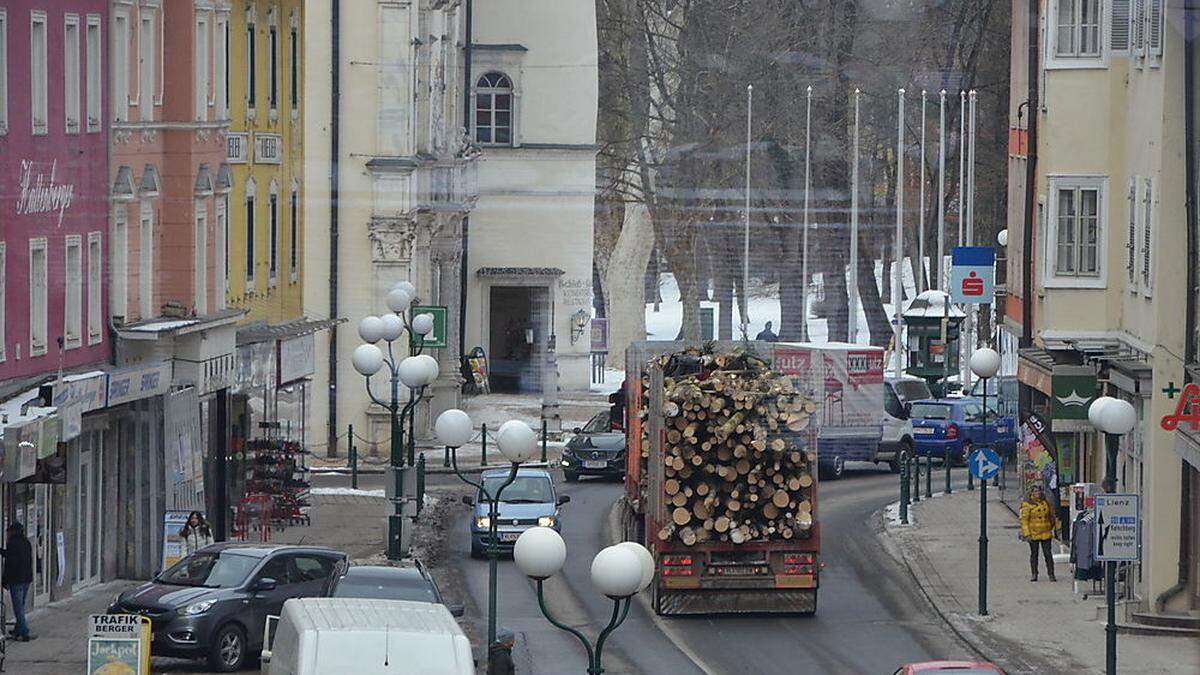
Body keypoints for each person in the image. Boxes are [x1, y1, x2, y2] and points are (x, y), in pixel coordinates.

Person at [0, 522, 34, 641]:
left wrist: (5, 580)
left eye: (9, 531)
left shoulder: (12, 544)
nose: (7, 533)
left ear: (13, 532)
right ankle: (18, 630)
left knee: (18, 607)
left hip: (17, 580)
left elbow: (10, 563)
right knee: (21, 605)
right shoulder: (26, 542)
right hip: (26, 579)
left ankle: (25, 632)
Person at [1019, 484, 1057, 582]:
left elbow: (1051, 516)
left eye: (1038, 491)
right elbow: (1024, 520)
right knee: (1034, 554)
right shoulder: (1027, 505)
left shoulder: (1046, 503)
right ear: (1031, 493)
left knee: (1048, 554)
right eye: (1035, 491)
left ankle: (1051, 574)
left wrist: (1053, 527)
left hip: (1046, 532)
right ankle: (1034, 573)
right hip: (1033, 533)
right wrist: (1027, 534)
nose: (1037, 493)